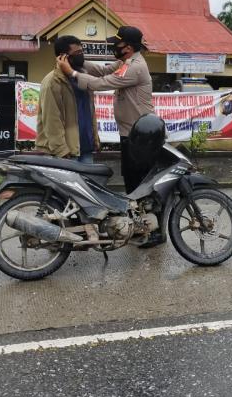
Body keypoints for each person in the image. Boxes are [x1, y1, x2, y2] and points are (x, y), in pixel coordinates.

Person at [56, 25, 161, 246]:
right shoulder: (125, 63)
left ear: (129, 47)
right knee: (132, 183)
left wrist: (72, 72)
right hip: (132, 134)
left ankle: (155, 231)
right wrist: (78, 61)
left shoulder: (136, 67)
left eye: (118, 43)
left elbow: (101, 83)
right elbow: (103, 70)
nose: (115, 46)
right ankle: (141, 226)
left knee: (143, 184)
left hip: (141, 136)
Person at [36, 35, 100, 163]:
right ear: (63, 57)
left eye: (82, 51)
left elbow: (90, 112)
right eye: (77, 53)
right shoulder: (52, 82)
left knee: (86, 183)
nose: (81, 55)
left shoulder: (82, 77)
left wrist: (95, 139)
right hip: (67, 153)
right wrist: (61, 151)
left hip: (86, 149)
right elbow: (51, 120)